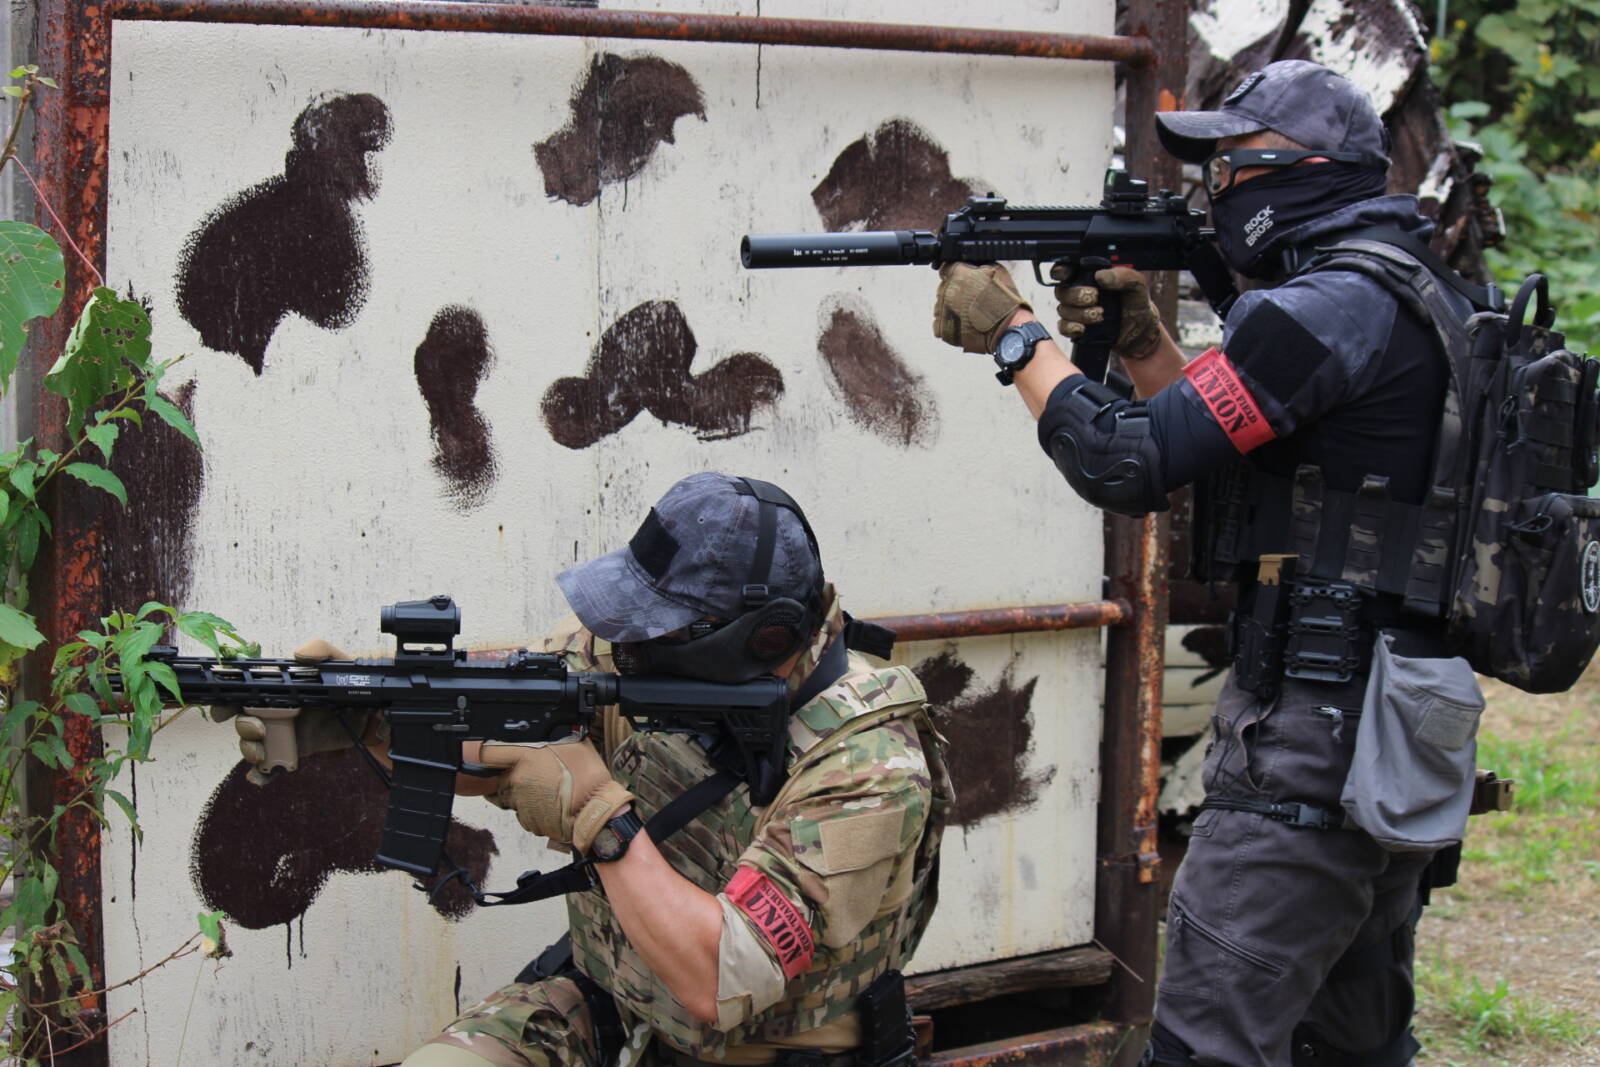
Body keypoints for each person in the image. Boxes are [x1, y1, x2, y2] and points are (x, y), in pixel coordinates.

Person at [931, 60, 1486, 1067]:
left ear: (1307, 169)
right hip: (1395, 718)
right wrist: (1146, 345)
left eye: (1234, 163)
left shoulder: (1325, 307)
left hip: (1308, 742)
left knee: (1205, 1046)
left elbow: (1127, 462)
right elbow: (1249, 450)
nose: (1216, 186)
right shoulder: (1410, 288)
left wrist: (1014, 336)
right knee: (1350, 1045)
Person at [224, 471, 951, 1067]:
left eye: (655, 629)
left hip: (775, 1051)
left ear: (761, 637)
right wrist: (371, 721)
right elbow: (501, 739)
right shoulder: (640, 656)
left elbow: (718, 978)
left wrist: (599, 816)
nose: (620, 646)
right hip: (611, 1004)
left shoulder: (869, 765)